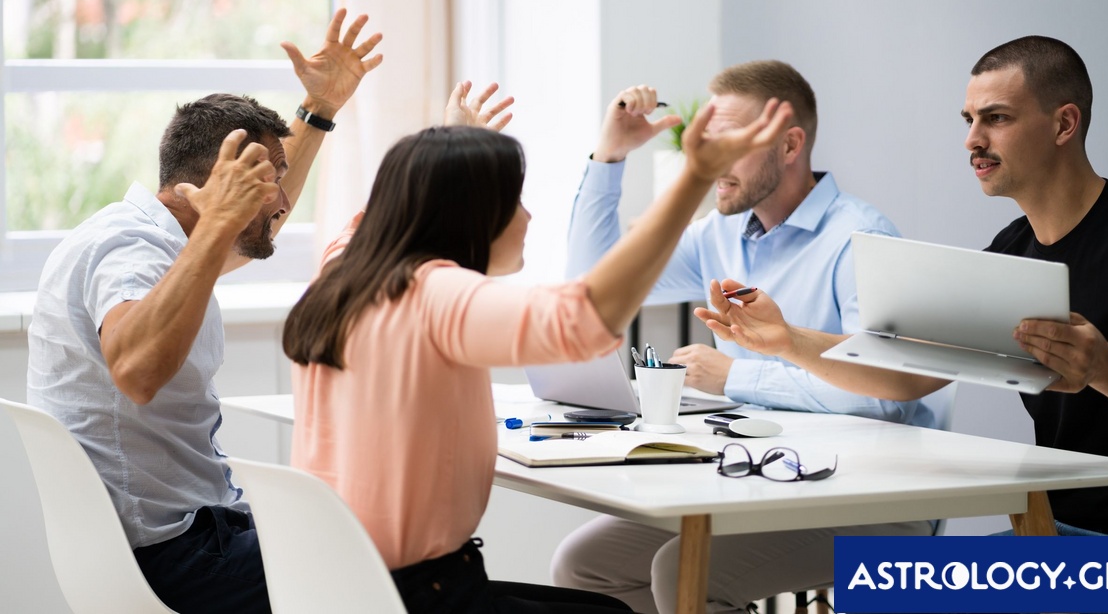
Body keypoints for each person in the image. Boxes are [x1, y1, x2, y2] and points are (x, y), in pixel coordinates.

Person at [696, 36, 1108, 613]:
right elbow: (905, 372)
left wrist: (1105, 366)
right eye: (968, 120)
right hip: (1056, 537)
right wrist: (788, 341)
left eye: (997, 118)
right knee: (874, 590)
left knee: (914, 597)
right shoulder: (1011, 253)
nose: (972, 140)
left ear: (1064, 124)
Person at [281, 91, 792, 613]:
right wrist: (695, 177)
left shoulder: (341, 274)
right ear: (473, 214)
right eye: (515, 201)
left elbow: (391, 207)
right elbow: (583, 318)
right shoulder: (435, 295)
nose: (528, 215)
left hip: (339, 589)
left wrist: (452, 146)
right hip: (420, 597)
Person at [26, 10, 382, 613]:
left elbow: (257, 225)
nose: (282, 201)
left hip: (181, 539)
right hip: (176, 558)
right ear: (221, 184)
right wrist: (221, 220)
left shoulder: (168, 243)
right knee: (390, 564)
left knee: (361, 545)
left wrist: (318, 110)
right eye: (268, 182)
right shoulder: (130, 250)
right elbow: (136, 371)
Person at [552, 63, 935, 613]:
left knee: (682, 572)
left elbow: (884, 398)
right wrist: (609, 157)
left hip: (872, 495)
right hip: (757, 478)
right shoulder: (720, 232)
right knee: (585, 564)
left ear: (790, 145)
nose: (710, 159)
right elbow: (593, 286)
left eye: (729, 141)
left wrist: (736, 376)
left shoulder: (859, 239)